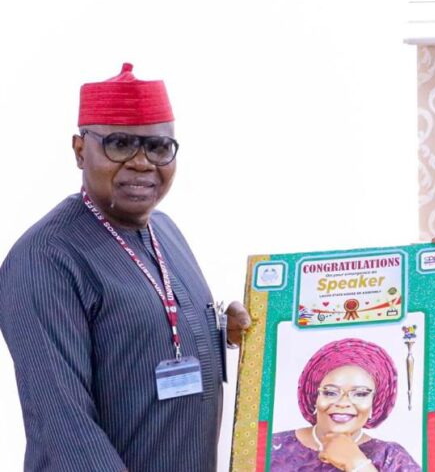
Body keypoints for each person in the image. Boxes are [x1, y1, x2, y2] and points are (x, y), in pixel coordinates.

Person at [0, 63, 251, 472]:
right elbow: (64, 426)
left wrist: (223, 330)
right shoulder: (45, 257)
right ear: (80, 150)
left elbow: (142, 339)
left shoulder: (164, 230)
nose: (141, 162)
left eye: (158, 147)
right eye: (119, 145)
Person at [270, 338, 420, 472]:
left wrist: (356, 463)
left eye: (360, 394)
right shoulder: (272, 446)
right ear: (314, 397)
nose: (343, 403)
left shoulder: (392, 457)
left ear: (375, 403)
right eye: (330, 392)